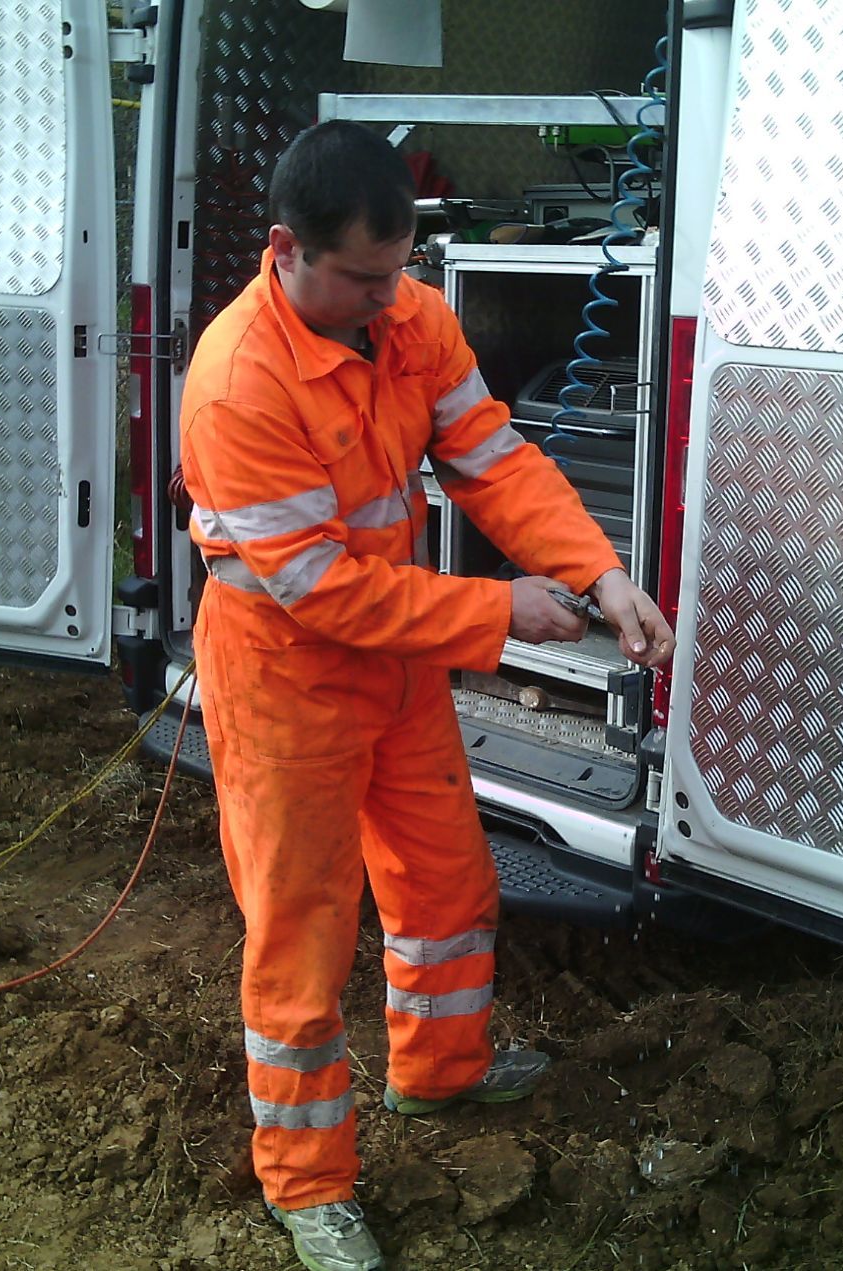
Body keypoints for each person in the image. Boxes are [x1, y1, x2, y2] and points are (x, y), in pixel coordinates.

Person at [179, 120, 675, 1271]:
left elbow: (491, 457)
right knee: (301, 933)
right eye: (359, 276)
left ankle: (438, 1075)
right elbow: (323, 595)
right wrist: (499, 614)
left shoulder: (408, 318)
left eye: (396, 270)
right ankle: (309, 1184)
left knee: (446, 881)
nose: (384, 299)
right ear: (285, 250)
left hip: (394, 672)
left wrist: (599, 572)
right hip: (285, 679)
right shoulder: (236, 385)